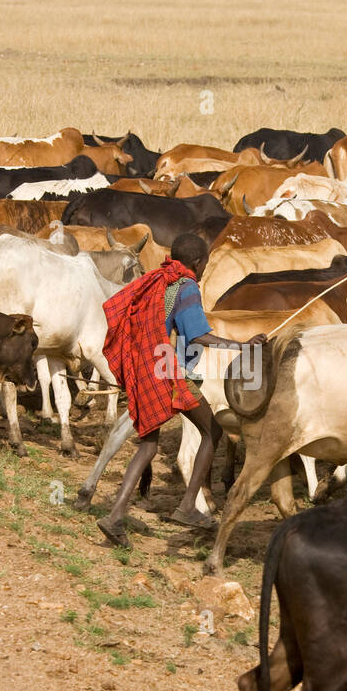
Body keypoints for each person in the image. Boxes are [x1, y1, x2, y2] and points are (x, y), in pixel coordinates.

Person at [96, 233, 264, 548]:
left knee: (148, 447)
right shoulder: (187, 287)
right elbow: (199, 336)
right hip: (165, 370)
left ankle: (114, 517)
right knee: (212, 430)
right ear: (198, 262)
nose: (204, 271)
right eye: (205, 265)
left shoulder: (159, 279)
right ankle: (188, 505)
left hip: (142, 366)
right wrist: (242, 346)